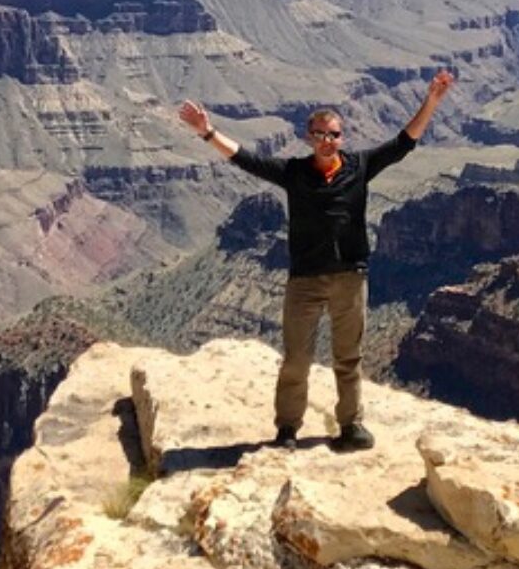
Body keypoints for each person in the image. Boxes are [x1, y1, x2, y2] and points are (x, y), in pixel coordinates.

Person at [178, 69, 455, 451]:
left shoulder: (359, 167)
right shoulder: (294, 173)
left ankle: (351, 426)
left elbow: (404, 142)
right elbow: (246, 159)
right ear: (310, 137)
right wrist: (207, 132)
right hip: (305, 280)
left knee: (349, 357)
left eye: (334, 134)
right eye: (321, 134)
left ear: (343, 138)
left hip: (349, 278)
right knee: (296, 359)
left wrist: (433, 101)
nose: (327, 141)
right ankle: (288, 428)